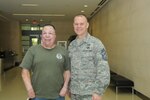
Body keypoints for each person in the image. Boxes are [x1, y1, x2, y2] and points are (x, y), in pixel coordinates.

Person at [20, 24, 70, 100]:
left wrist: (65, 87)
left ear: (55, 36)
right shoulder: (32, 50)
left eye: (50, 33)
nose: (47, 35)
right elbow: (25, 71)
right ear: (41, 36)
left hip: (58, 95)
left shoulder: (63, 51)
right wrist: (29, 89)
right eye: (44, 33)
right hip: (37, 95)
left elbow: (67, 70)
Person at [68, 14, 110, 100]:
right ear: (73, 25)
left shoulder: (96, 44)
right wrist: (69, 88)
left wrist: (98, 91)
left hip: (90, 94)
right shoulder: (72, 45)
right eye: (76, 24)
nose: (78, 26)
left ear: (87, 25)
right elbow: (69, 68)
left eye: (81, 24)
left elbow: (103, 69)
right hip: (74, 93)